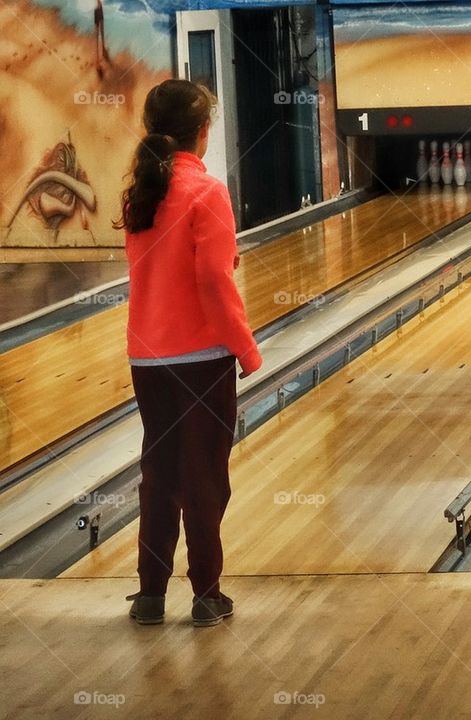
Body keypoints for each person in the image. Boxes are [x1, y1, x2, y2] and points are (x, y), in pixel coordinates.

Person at [114, 79, 262, 626]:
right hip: (201, 358)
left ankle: (150, 595)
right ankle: (206, 595)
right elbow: (211, 280)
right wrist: (246, 349)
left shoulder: (140, 193)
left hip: (147, 357)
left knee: (160, 474)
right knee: (204, 477)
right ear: (202, 133)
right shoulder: (208, 191)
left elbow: (164, 270)